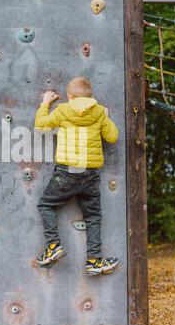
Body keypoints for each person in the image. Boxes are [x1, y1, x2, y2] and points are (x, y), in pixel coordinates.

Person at [35, 77, 119, 276]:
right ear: (91, 97)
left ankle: (53, 245)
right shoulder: (98, 112)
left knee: (46, 205)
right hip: (90, 174)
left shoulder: (64, 109)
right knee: (92, 216)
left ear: (69, 96)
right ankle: (94, 260)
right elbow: (112, 136)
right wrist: (105, 116)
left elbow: (41, 125)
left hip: (68, 172)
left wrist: (46, 103)